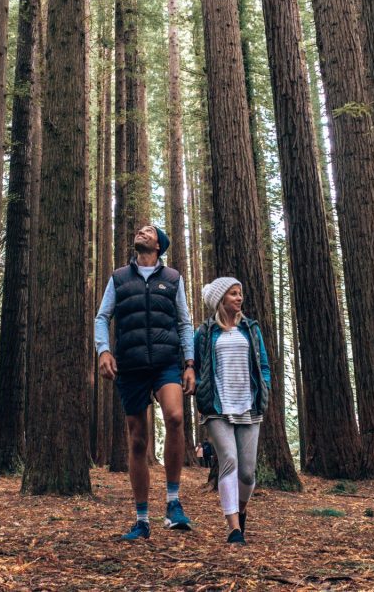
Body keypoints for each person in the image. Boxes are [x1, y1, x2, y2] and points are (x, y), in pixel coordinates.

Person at [95, 224, 196, 541]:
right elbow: (102, 317)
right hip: (131, 366)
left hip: (166, 363)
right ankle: (141, 520)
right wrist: (104, 351)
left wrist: (190, 363)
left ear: (159, 245)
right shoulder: (119, 278)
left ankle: (173, 502)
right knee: (138, 440)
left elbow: (184, 322)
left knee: (176, 417)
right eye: (138, 230)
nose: (140, 232)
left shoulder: (173, 279)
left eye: (148, 231)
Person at [193, 277, 270, 546]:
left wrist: (265, 388)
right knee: (229, 460)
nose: (239, 298)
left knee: (247, 472)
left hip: (248, 405)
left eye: (240, 293)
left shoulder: (251, 329)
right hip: (217, 407)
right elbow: (193, 365)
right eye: (234, 294)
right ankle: (234, 529)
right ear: (221, 299)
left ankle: (241, 509)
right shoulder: (204, 332)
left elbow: (264, 365)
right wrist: (200, 389)